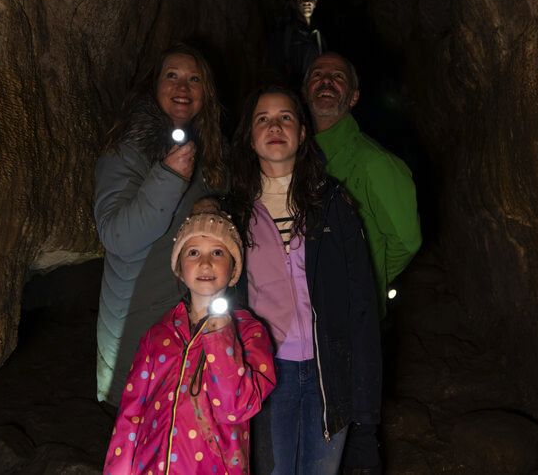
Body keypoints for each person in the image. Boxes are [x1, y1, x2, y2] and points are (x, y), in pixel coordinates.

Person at [230, 86, 382, 474]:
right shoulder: (232, 214)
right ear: (249, 136)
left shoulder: (332, 204)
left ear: (302, 132)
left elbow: (361, 304)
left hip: (328, 371)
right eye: (262, 118)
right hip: (265, 373)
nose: (275, 126)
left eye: (286, 117)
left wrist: (366, 410)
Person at [93, 42, 227, 406]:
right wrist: (168, 177)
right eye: (172, 76)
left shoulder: (212, 155)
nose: (183, 87)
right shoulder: (128, 149)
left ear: (205, 93)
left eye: (194, 79)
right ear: (154, 85)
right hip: (137, 325)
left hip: (188, 323)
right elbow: (118, 235)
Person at [103, 203, 277, 474]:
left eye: (217, 252)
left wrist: (221, 337)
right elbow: (130, 414)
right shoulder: (158, 334)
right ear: (178, 268)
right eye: (193, 252)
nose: (205, 263)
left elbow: (236, 409)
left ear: (233, 270)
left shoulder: (250, 333)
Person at [302, 52, 422, 319]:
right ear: (304, 91)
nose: (326, 82)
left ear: (353, 97)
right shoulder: (290, 158)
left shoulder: (374, 163)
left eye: (338, 77)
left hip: (352, 319)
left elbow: (406, 241)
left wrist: (367, 278)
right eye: (318, 75)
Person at [267, 0, 327, 90]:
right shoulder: (283, 35)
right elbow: (274, 69)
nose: (306, 2)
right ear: (293, 4)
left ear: (315, 3)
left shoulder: (322, 36)